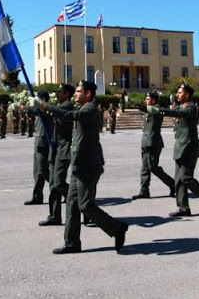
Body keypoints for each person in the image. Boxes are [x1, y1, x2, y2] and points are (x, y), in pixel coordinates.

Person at [30, 80, 128, 254]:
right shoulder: (81, 109)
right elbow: (67, 114)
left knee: (84, 205)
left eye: (78, 91)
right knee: (72, 206)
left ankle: (117, 227)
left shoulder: (90, 109)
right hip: (78, 164)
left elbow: (69, 115)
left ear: (88, 94)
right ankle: (72, 243)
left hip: (88, 165)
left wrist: (44, 105)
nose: (75, 94)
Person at [147, 83, 199, 217]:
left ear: (187, 95)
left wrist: (160, 110)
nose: (178, 94)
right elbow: (177, 111)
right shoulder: (181, 106)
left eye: (180, 92)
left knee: (186, 178)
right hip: (180, 146)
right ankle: (183, 207)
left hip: (189, 147)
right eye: (177, 93)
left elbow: (178, 113)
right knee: (179, 179)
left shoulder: (191, 108)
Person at [39, 84, 75, 225]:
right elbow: (45, 111)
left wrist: (43, 104)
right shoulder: (57, 106)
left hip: (64, 149)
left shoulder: (68, 106)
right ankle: (54, 215)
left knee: (59, 183)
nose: (57, 94)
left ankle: (81, 204)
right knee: (53, 185)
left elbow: (56, 110)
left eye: (59, 92)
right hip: (54, 148)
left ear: (66, 94)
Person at [133, 91, 175, 200]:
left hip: (153, 142)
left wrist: (136, 103)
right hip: (146, 142)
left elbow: (148, 109)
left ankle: (172, 183)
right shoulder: (148, 110)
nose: (146, 101)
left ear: (154, 100)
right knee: (145, 168)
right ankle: (144, 191)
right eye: (146, 99)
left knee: (153, 167)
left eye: (148, 99)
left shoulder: (156, 109)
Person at [23, 91, 53, 206]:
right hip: (38, 142)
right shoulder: (40, 109)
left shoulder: (46, 109)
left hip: (44, 142)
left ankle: (63, 189)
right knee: (37, 171)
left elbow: (36, 110)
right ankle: (37, 196)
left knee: (43, 170)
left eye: (38, 99)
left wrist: (23, 107)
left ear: (43, 100)